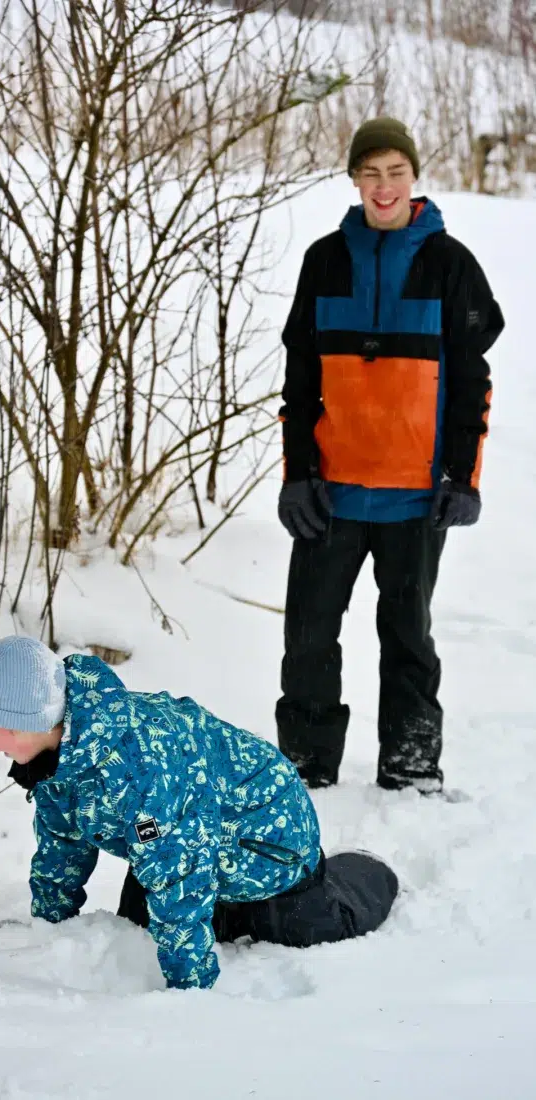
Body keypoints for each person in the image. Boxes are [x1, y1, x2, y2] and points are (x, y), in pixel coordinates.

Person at [0, 635, 398, 991]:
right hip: (188, 837)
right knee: (140, 924)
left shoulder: (141, 768)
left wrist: (189, 996)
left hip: (268, 845)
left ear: (25, 722)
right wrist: (47, 931)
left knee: (302, 924)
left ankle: (365, 870)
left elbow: (181, 876)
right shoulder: (61, 755)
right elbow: (63, 845)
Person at [276, 117, 505, 794]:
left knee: (408, 639)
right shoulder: (325, 259)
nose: (383, 187)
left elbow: (470, 383)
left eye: (394, 172)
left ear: (414, 177)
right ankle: (306, 762)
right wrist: (297, 477)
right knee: (307, 638)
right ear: (353, 180)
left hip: (413, 498)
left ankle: (409, 764)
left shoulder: (449, 263)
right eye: (369, 173)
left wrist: (460, 478)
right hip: (332, 496)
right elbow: (299, 382)